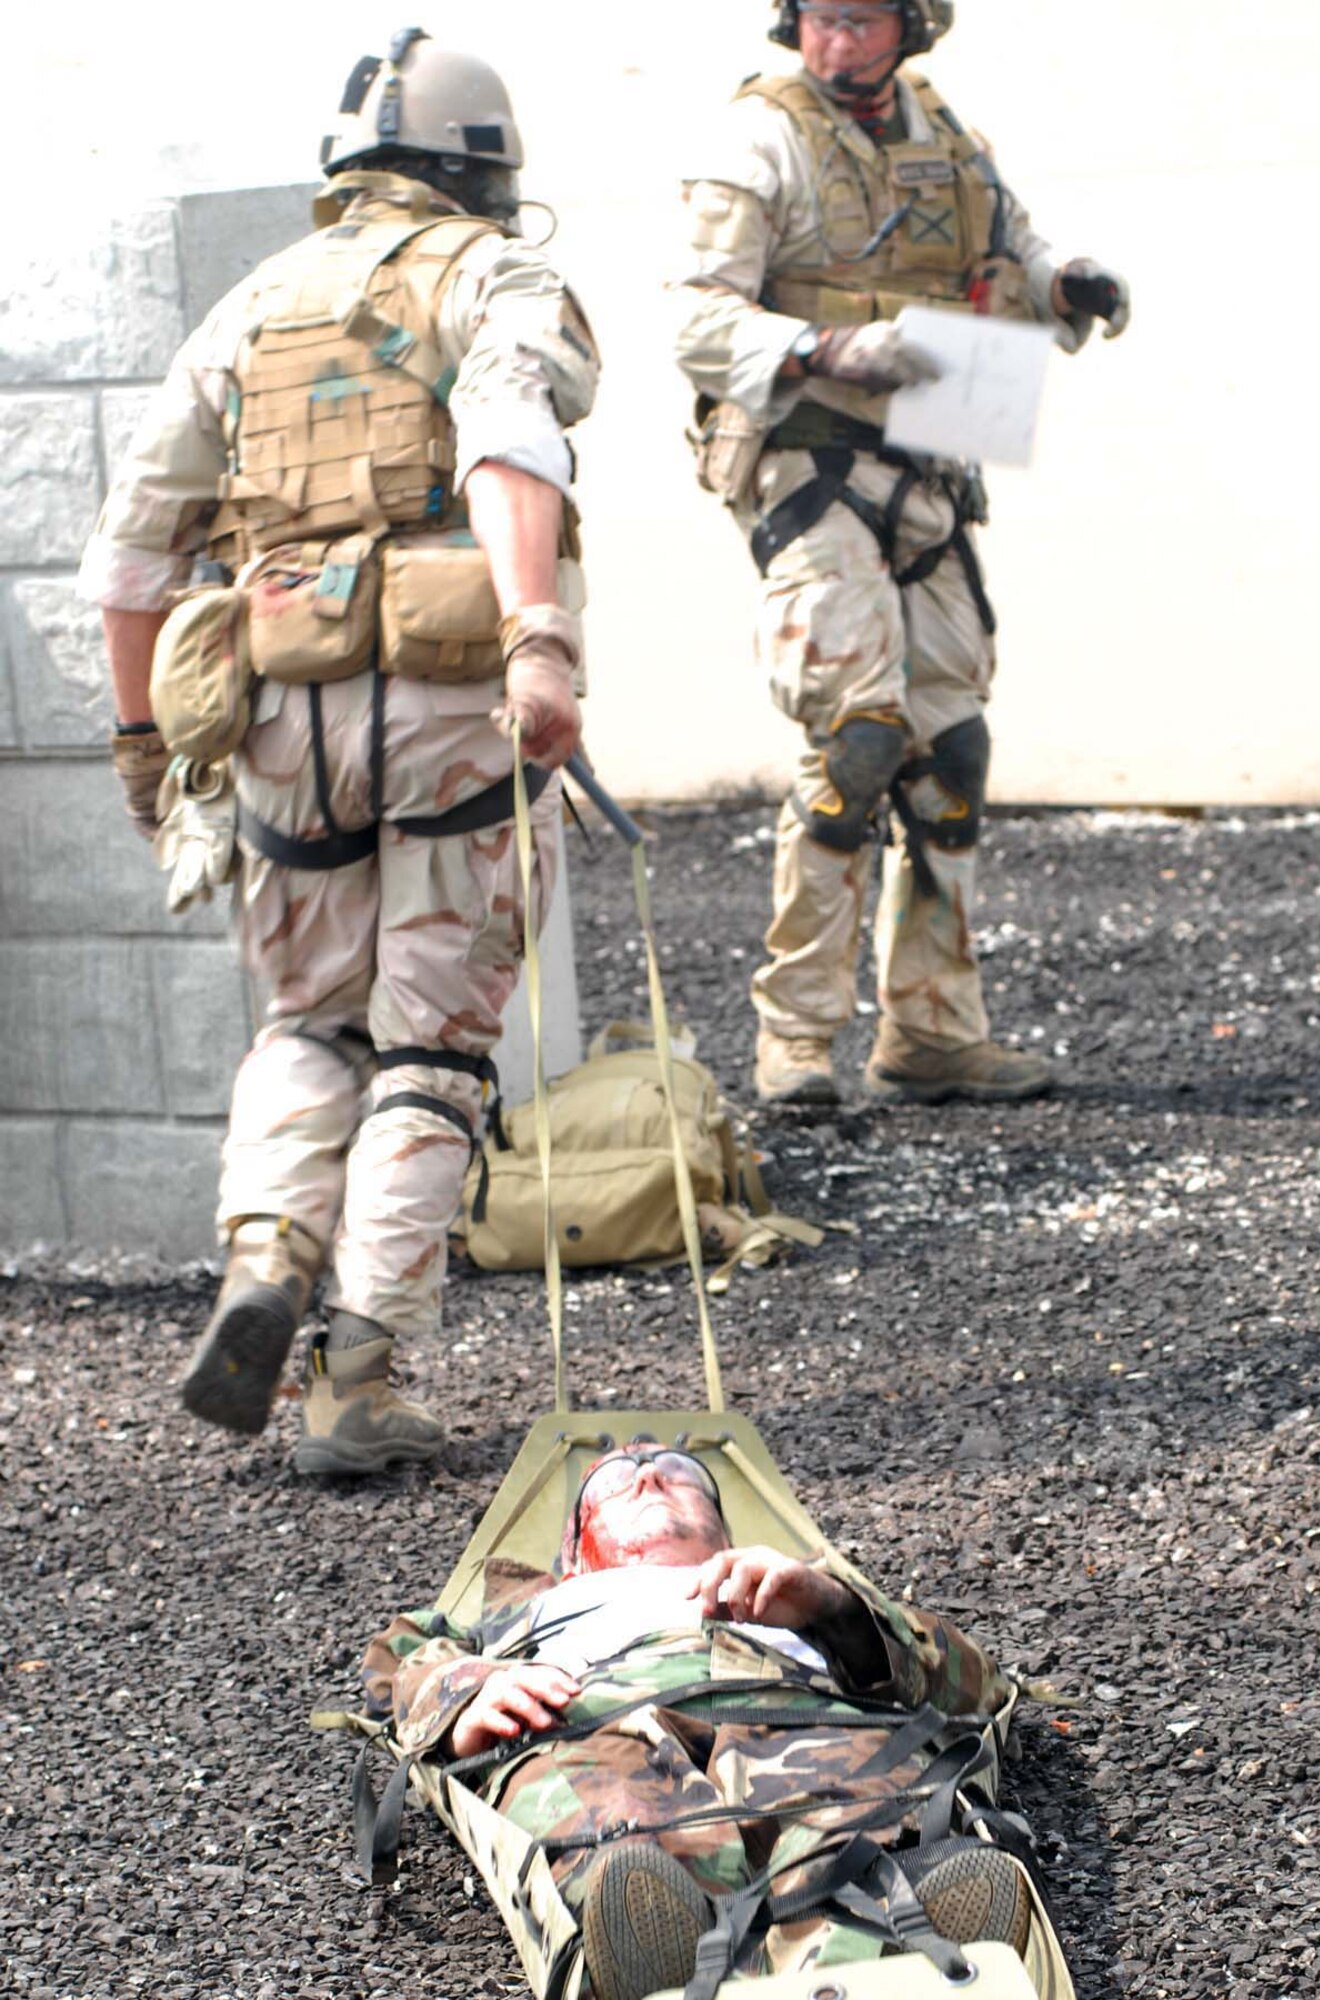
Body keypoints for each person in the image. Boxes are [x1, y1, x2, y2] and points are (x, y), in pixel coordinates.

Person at [78, 30, 599, 1475]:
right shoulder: (494, 277)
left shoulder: (245, 307)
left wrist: (139, 743)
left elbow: (127, 560)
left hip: (278, 701)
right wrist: (536, 634)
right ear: (482, 173)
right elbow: (507, 441)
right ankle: (356, 1382)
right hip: (445, 707)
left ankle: (264, 1253)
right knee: (431, 1044)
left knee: (309, 1022)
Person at [671, 1, 1130, 1108]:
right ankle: (796, 1036)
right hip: (810, 463)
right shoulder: (757, 138)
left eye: (859, 18)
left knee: (950, 744)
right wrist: (821, 345)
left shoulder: (944, 133)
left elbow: (1009, 243)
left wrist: (1065, 280)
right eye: (818, 18)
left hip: (927, 463)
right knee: (857, 739)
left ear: (909, 24)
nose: (835, 43)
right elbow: (694, 315)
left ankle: (931, 1030)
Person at [361, 1441, 1047, 2000]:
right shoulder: (528, 1611)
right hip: (595, 1722)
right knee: (629, 1835)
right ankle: (663, 1948)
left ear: (724, 1530)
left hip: (804, 1715)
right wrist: (467, 1690)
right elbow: (401, 1657)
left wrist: (832, 1608)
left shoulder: (796, 1591)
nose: (652, 1476)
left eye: (682, 1475)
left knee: (858, 1833)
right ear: (570, 1554)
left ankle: (893, 1937)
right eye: (613, 1480)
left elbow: (975, 1684)